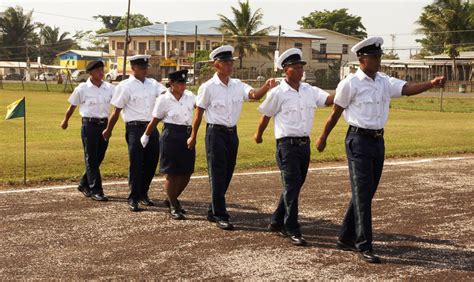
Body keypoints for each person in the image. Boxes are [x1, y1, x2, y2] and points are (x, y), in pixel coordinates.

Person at [316, 37, 445, 263]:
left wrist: (430, 84)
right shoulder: (350, 83)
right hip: (358, 140)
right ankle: (363, 244)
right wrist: (323, 137)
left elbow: (406, 89)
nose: (378, 61)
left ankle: (345, 237)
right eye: (374, 57)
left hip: (377, 141)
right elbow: (335, 112)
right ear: (361, 59)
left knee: (366, 192)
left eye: (379, 57)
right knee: (363, 194)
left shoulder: (383, 81)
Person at [187, 45, 277, 230]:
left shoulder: (238, 85)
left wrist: (266, 87)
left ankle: (213, 210)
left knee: (227, 172)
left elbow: (253, 96)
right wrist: (193, 136)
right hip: (215, 133)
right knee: (217, 173)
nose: (230, 65)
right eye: (226, 62)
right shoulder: (208, 87)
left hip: (231, 133)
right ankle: (220, 213)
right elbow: (198, 113)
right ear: (216, 64)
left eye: (231, 62)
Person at [255, 48, 334, 246]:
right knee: (291, 186)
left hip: (304, 145)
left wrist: (347, 90)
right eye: (296, 68)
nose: (301, 71)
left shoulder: (309, 90)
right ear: (286, 70)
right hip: (286, 146)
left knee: (295, 185)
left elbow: (329, 99)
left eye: (301, 68)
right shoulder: (278, 93)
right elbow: (266, 115)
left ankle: (276, 220)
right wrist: (258, 134)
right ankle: (291, 227)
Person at [102, 55, 167, 212]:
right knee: (136, 163)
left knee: (152, 162)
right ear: (134, 68)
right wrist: (108, 130)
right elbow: (116, 110)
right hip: (134, 128)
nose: (146, 70)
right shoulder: (125, 86)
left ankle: (143, 193)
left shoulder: (153, 84)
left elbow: (166, 94)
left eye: (146, 67)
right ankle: (133, 197)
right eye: (142, 68)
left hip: (151, 127)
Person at [140, 70, 195, 220]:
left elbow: (200, 107)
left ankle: (171, 199)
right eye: (180, 83)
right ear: (171, 83)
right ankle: (173, 205)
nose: (183, 86)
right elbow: (155, 120)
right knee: (173, 173)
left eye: (184, 83)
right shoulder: (163, 99)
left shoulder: (190, 96)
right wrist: (146, 135)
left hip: (187, 134)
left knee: (187, 172)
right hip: (171, 134)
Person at [60, 60, 114, 201]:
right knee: (91, 157)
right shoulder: (82, 89)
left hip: (104, 125)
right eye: (98, 71)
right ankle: (96, 189)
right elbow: (72, 107)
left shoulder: (109, 88)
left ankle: (84, 183)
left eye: (102, 70)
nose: (101, 73)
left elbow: (118, 104)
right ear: (90, 72)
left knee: (99, 156)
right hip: (89, 125)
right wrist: (65, 121)